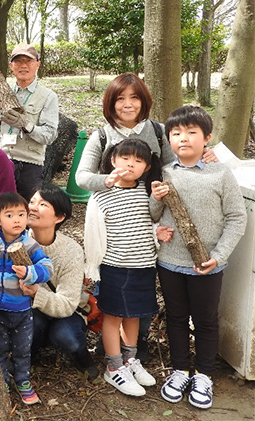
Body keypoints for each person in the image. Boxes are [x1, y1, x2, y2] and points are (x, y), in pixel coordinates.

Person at [75, 72, 216, 362]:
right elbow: (81, 177)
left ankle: (135, 350)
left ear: (144, 100)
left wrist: (206, 154)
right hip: (114, 222)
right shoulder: (101, 135)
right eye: (120, 99)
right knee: (114, 292)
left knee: (141, 291)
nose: (128, 104)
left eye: (134, 97)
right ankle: (112, 353)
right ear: (110, 103)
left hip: (151, 215)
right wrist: (108, 180)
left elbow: (177, 164)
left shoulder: (159, 131)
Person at [151, 106, 246, 410]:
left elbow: (236, 218)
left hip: (208, 265)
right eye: (176, 133)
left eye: (192, 132)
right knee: (176, 317)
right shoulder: (165, 173)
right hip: (169, 262)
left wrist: (218, 256)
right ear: (169, 139)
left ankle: (204, 374)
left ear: (207, 138)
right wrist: (155, 204)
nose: (184, 138)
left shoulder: (221, 173)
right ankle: (180, 369)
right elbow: (153, 216)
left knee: (206, 320)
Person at [84, 139, 162, 397]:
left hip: (143, 265)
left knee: (135, 315)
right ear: (113, 161)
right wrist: (92, 265)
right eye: (125, 158)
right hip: (114, 266)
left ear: (147, 167)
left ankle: (130, 361)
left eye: (138, 160)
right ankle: (113, 366)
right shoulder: (101, 194)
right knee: (113, 315)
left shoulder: (146, 191)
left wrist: (157, 232)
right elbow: (93, 232)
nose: (131, 163)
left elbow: (149, 221)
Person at [0, 192, 52, 405]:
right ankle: (2, 382)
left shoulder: (29, 244)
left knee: (22, 348)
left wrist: (30, 274)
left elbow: (47, 267)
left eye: (21, 214)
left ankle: (23, 380)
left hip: (22, 311)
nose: (17, 220)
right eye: (9, 215)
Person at [20, 184, 99, 381]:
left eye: (43, 204)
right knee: (32, 324)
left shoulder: (71, 251)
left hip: (65, 312)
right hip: (31, 311)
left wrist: (37, 293)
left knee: (68, 338)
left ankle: (81, 355)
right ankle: (31, 355)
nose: (33, 208)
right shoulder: (17, 243)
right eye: (32, 202)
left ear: (60, 217)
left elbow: (67, 304)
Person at [0, 44, 59, 202]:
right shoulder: (3, 91)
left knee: (27, 211)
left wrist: (26, 125)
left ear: (38, 64)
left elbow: (50, 136)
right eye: (18, 61)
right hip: (1, 159)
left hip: (29, 164)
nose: (23, 65)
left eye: (29, 61)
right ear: (11, 66)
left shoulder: (48, 96)